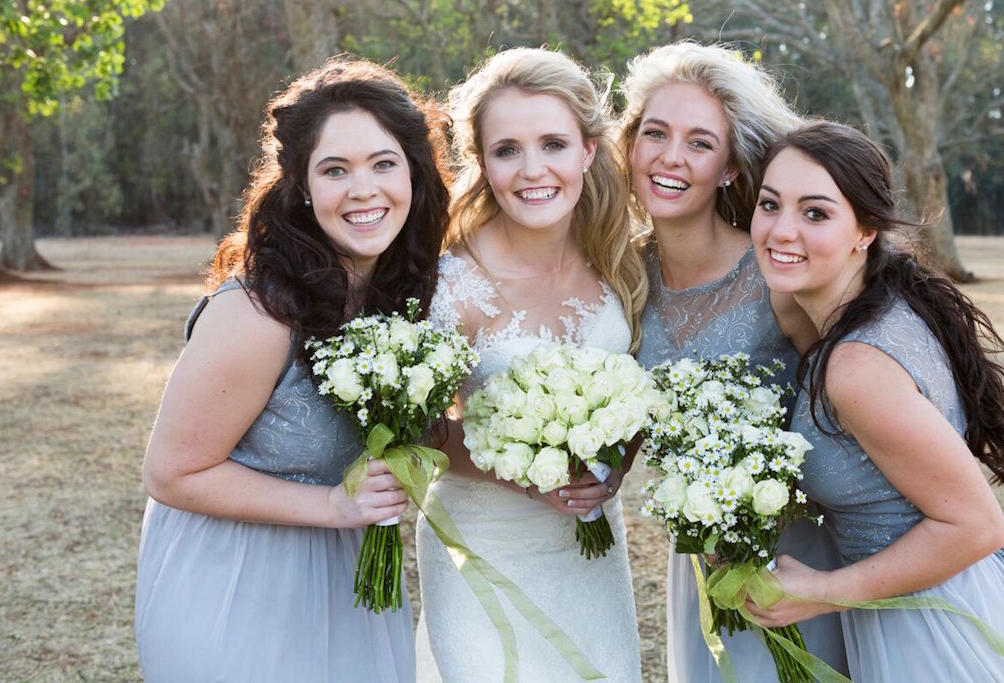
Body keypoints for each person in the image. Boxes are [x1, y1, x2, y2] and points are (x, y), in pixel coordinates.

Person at [135, 57, 450, 682]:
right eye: (335, 170)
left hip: (347, 575)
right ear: (302, 187)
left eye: (383, 164)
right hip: (233, 580)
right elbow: (171, 473)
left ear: (414, 174)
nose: (364, 190)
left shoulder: (406, 297)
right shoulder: (257, 311)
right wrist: (334, 505)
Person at [746, 120, 1004, 681]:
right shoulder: (872, 305)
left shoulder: (857, 368)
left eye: (815, 213)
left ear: (865, 231)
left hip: (933, 629)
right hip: (927, 605)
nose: (781, 230)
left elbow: (977, 526)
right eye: (770, 204)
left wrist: (822, 593)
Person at [412, 48, 647, 683]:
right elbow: (417, 431)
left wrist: (615, 466)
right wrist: (519, 468)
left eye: (553, 144)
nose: (533, 169)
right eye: (508, 150)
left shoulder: (620, 264)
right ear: (482, 163)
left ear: (588, 151)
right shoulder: (452, 285)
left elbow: (637, 400)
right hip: (481, 543)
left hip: (591, 550)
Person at [619, 42, 849, 682]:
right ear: (631, 146)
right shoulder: (623, 277)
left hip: (799, 560)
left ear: (729, 167)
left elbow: (847, 409)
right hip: (700, 564)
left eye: (699, 143)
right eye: (655, 134)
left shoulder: (775, 269)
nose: (670, 157)